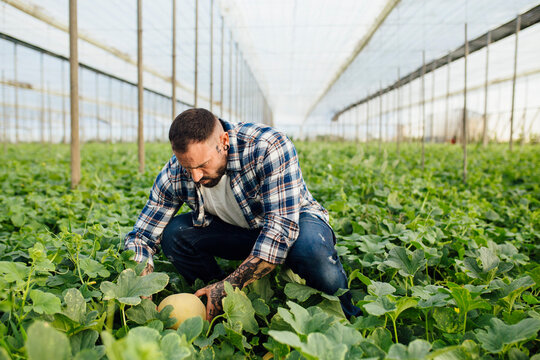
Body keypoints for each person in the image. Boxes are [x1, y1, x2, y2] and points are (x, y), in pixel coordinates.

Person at [124, 108, 361, 320]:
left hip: (294, 222)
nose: (195, 176)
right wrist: (141, 285)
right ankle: (213, 300)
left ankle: (348, 315)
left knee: (311, 249)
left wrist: (230, 284)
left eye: (202, 165)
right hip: (238, 230)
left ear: (224, 141)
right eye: (188, 167)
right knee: (175, 234)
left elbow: (279, 231)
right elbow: (141, 237)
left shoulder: (268, 146)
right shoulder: (175, 173)